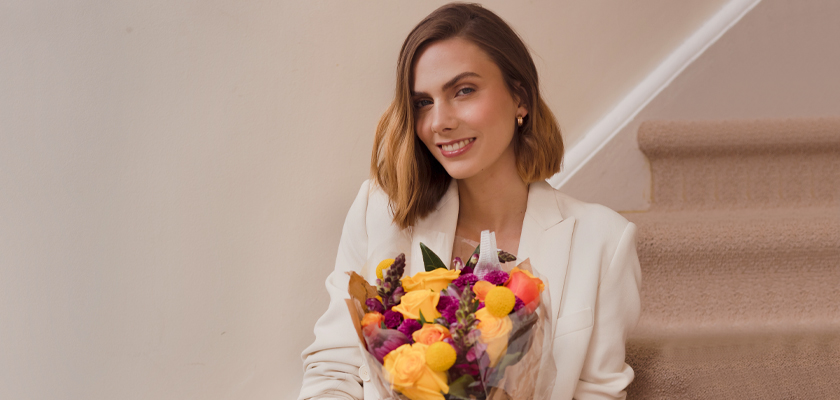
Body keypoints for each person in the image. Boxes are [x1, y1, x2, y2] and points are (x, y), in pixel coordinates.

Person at [299, 3, 641, 399]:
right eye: (422, 102)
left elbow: (597, 391)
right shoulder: (380, 212)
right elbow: (332, 368)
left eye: (463, 91)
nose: (439, 121)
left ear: (520, 98)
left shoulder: (604, 241)